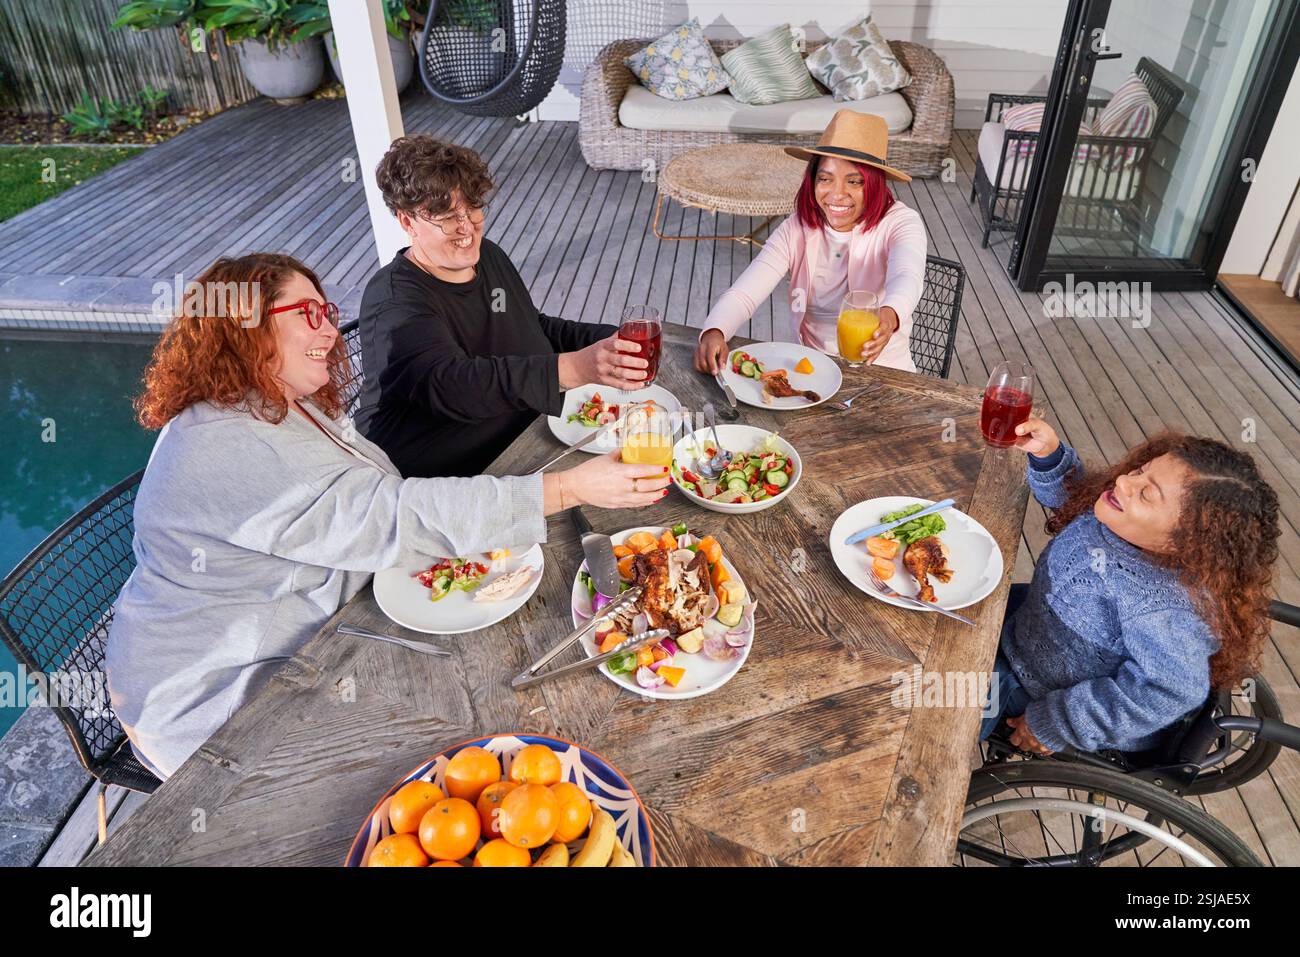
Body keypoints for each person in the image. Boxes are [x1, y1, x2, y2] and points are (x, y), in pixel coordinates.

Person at [105, 253, 670, 779]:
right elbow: (388, 517)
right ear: (244, 327)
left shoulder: (271, 404)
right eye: (309, 315)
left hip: (322, 628)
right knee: (474, 737)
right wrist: (569, 486)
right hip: (220, 704)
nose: (331, 331)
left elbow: (372, 508)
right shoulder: (224, 447)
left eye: (327, 311)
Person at [980, 417, 1280, 755]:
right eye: (1140, 472)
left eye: (1147, 494)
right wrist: (1049, 456)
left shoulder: (1164, 607)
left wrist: (1058, 721)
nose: (1123, 481)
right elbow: (1077, 497)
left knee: (930, 698)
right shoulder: (1121, 516)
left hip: (1034, 688)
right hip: (1027, 623)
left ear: (1186, 543)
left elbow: (1170, 691)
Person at [353, 135, 649, 479]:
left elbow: (531, 326)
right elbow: (454, 386)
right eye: (446, 216)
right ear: (407, 222)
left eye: (472, 208)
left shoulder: (487, 255)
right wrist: (573, 369)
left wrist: (613, 342)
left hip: (525, 435)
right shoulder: (394, 302)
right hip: (441, 475)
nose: (466, 227)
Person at [694, 110, 928, 376]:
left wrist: (890, 314)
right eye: (825, 179)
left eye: (854, 181)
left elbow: (907, 274)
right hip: (813, 370)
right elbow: (745, 294)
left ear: (874, 183)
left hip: (885, 372)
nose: (836, 194)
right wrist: (714, 330)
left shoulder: (902, 222)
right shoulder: (797, 227)